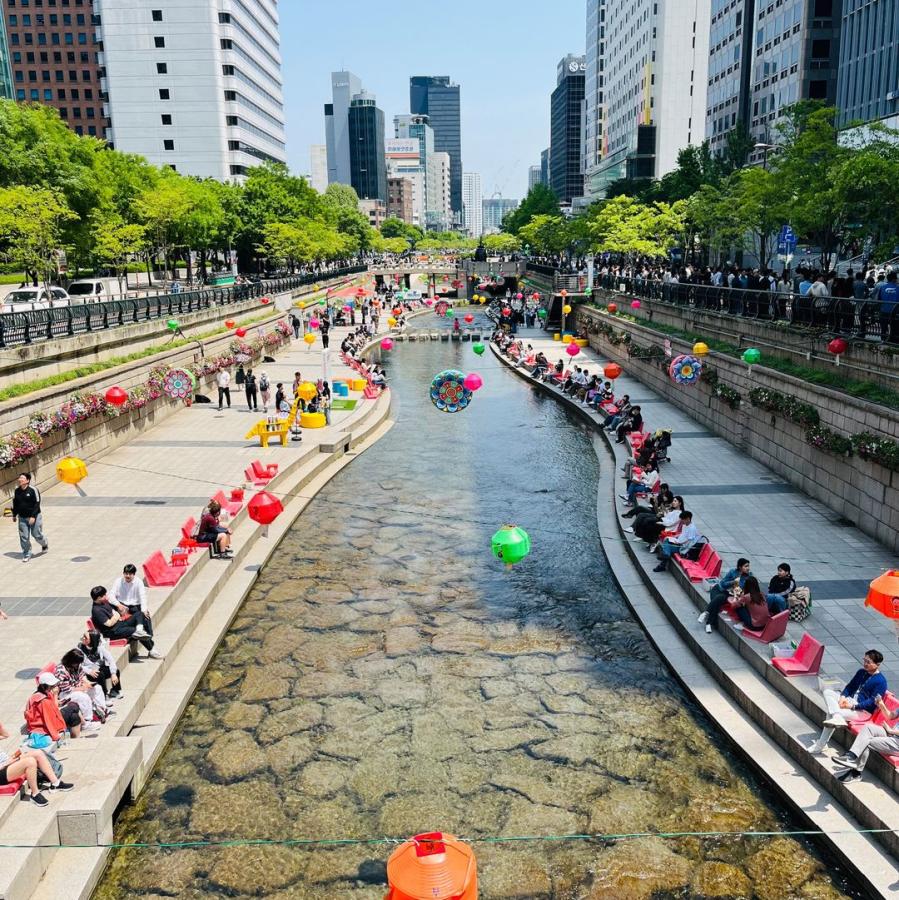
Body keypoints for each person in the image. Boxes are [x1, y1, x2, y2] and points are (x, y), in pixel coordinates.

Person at [808, 650, 887, 754]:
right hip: (850, 701)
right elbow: (850, 687)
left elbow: (872, 702)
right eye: (864, 660)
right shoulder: (861, 672)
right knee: (827, 692)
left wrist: (852, 706)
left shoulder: (881, 681)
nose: (865, 664)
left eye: (868, 662)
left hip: (863, 711)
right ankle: (837, 717)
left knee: (831, 713)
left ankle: (820, 744)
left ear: (877, 664)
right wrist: (843, 697)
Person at [0, 722, 73, 806]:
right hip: (2, 769)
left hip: (7, 762)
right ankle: (35, 794)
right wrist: (6, 763)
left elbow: (6, 735)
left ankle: (55, 783)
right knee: (30, 762)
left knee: (38, 753)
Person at [832, 695, 899, 782]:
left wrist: (891, 731)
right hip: (891, 734)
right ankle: (851, 756)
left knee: (867, 742)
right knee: (868, 728)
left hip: (896, 742)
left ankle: (856, 773)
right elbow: (891, 716)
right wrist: (881, 704)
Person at [90, 586, 161, 658]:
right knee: (135, 630)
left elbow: (114, 613)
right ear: (99, 598)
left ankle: (140, 629)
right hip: (112, 632)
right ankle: (151, 650)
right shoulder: (97, 611)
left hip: (119, 624)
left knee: (140, 614)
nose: (106, 596)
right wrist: (117, 615)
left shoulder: (103, 603)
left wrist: (118, 614)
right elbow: (109, 623)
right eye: (104, 595)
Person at [698, 558, 752, 633]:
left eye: (748, 566)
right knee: (716, 604)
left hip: (728, 594)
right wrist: (733, 582)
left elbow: (745, 590)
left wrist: (740, 591)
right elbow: (723, 584)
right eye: (746, 566)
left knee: (718, 599)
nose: (748, 568)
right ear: (740, 567)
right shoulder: (732, 572)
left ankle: (706, 614)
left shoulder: (748, 576)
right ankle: (708, 623)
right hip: (718, 589)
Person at [55, 650, 105, 730]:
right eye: (77, 663)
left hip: (77, 687)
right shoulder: (61, 671)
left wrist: (88, 683)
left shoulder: (77, 665)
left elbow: (82, 676)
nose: (78, 665)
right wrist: (82, 688)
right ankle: (87, 721)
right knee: (83, 697)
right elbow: (66, 689)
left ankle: (101, 710)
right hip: (64, 694)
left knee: (97, 688)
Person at [25, 672, 81, 742]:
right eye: (51, 686)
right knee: (74, 707)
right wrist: (55, 736)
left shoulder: (38, 694)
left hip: (43, 721)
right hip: (43, 726)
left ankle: (76, 739)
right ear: (44, 686)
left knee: (74, 716)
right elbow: (48, 719)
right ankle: (78, 735)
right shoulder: (43, 700)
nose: (53, 687)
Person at [12, 472, 48, 563]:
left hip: (34, 516)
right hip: (22, 518)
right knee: (24, 537)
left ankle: (44, 543)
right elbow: (15, 504)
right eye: (20, 478)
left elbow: (37, 503)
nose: (20, 479)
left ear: (27, 480)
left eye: (22, 478)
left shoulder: (33, 490)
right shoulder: (17, 491)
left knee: (37, 534)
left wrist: (33, 516)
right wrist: (14, 515)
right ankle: (27, 554)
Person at [77, 629, 121, 700]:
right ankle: (104, 696)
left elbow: (111, 660)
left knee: (116, 671)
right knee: (100, 675)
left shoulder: (99, 647)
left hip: (98, 668)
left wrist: (113, 673)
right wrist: (89, 671)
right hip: (87, 672)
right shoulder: (79, 649)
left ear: (92, 640)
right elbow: (77, 665)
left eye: (86, 637)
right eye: (84, 636)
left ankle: (115, 691)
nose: (83, 638)